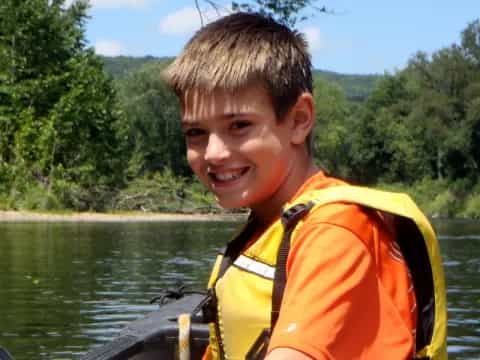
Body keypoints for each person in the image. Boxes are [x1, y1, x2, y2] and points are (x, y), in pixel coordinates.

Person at [163, 12, 447, 360]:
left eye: (239, 125)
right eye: (196, 133)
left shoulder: (334, 232)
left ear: (299, 120)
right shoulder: (270, 225)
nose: (214, 152)